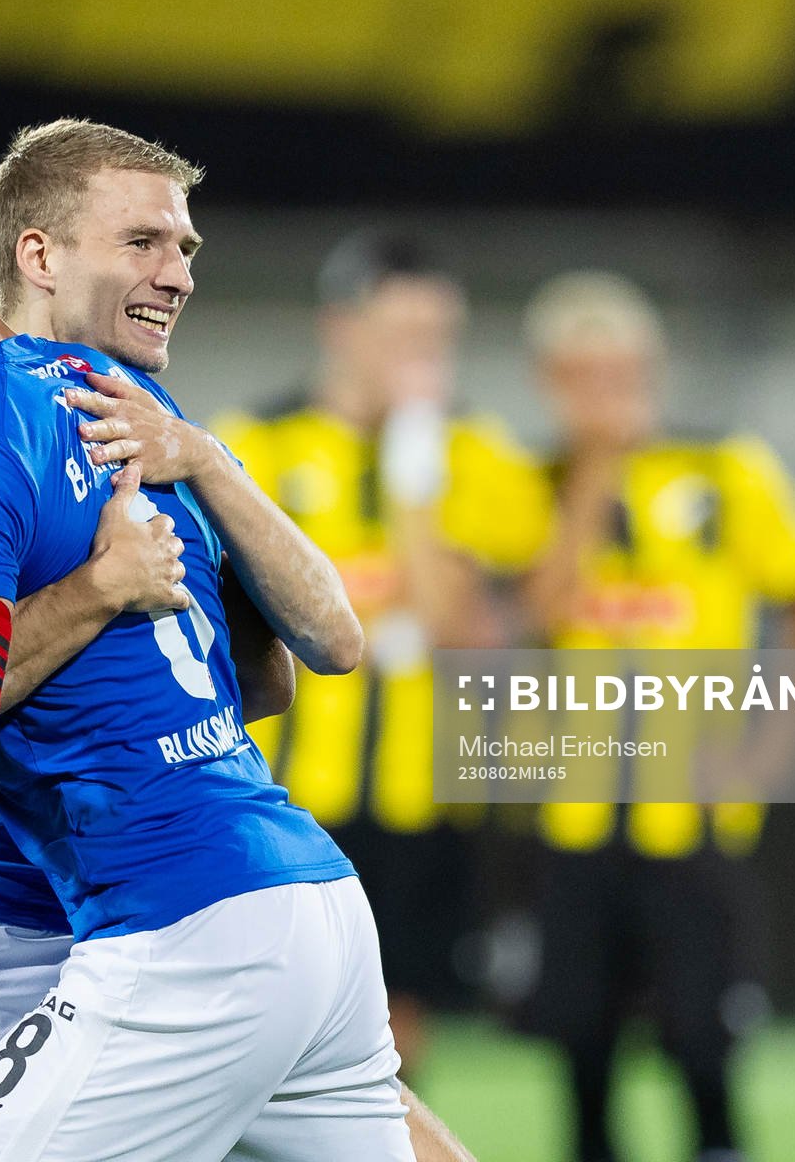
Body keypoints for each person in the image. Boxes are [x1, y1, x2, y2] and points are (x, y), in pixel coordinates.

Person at [0, 97, 411, 1161]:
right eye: (145, 240)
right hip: (297, 892)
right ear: (35, 254)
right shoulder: (129, 424)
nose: (179, 271)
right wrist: (103, 590)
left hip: (124, 920)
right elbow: (270, 674)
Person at [211, 232, 551, 1081]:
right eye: (402, 335)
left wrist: (415, 471)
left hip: (417, 796)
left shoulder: (479, 454)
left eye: (437, 338)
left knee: (395, 1031)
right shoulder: (252, 444)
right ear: (341, 327)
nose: (422, 357)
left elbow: (457, 626)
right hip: (269, 788)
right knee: (253, 1025)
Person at [515, 272, 795, 1162]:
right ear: (550, 382)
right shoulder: (530, 483)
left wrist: (767, 756)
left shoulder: (727, 470)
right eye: (582, 377)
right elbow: (537, 612)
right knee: (579, 1050)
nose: (605, 395)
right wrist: (596, 473)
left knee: (704, 1049)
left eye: (620, 373)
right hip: (572, 820)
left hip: (691, 820)